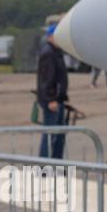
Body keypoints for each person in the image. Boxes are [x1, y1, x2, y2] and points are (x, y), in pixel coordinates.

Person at [35, 24, 69, 159]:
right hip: (52, 102)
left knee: (58, 135)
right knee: (50, 135)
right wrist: (51, 99)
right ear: (51, 36)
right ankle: (44, 168)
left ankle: (55, 165)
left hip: (58, 100)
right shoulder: (48, 53)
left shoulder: (56, 52)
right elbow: (46, 79)